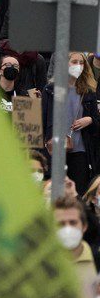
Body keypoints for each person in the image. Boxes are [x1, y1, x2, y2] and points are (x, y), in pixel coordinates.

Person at [43, 52, 99, 195]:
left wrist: (90, 120)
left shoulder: (88, 92)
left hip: (81, 151)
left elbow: (96, 123)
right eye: (74, 62)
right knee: (56, 194)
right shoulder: (51, 90)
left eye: (81, 63)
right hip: (56, 149)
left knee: (78, 193)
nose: (78, 66)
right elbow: (43, 119)